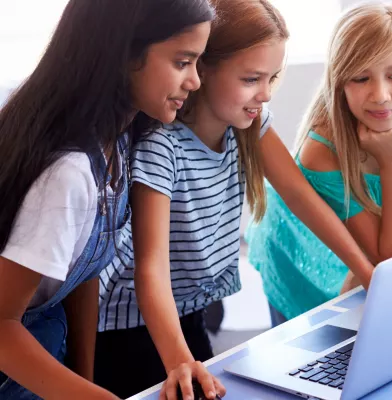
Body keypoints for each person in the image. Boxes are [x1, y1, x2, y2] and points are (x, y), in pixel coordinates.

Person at [94, 1, 374, 399]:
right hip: (127, 329)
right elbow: (150, 268)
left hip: (187, 310)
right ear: (202, 68)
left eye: (272, 78)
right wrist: (178, 362)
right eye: (251, 78)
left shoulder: (250, 124)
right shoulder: (161, 145)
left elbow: (299, 195)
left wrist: (365, 269)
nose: (264, 94)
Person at [0, 0, 214, 398]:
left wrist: (87, 380)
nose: (196, 81)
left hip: (44, 349)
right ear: (125, 54)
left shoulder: (119, 139)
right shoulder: (68, 173)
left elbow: (81, 272)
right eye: (183, 63)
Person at [246, 2, 392, 324]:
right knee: (314, 351)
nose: (381, 94)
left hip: (379, 251)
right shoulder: (321, 152)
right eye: (361, 78)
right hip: (302, 256)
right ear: (339, 82)